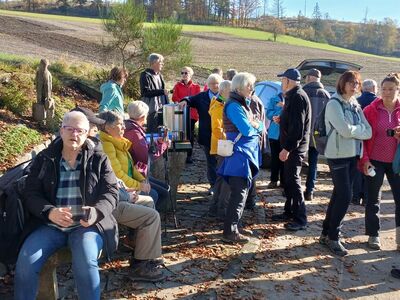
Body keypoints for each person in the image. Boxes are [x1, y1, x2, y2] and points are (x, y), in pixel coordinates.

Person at [14, 111, 119, 300]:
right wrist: (49, 212)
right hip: (49, 226)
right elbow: (31, 193)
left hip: (86, 227)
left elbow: (111, 192)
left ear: (88, 133)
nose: (74, 134)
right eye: (69, 129)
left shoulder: (99, 158)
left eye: (80, 130)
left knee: (86, 263)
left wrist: (96, 212)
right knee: (25, 262)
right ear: (61, 131)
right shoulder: (45, 158)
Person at [320, 71, 372, 256]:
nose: (354, 86)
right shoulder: (334, 104)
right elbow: (343, 130)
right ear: (342, 83)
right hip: (337, 155)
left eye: (356, 83)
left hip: (352, 155)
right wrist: (357, 130)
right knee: (345, 195)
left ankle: (326, 232)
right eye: (350, 83)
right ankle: (333, 237)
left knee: (338, 194)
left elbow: (369, 131)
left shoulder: (355, 104)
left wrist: (354, 130)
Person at [218, 72, 263, 243]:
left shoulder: (242, 104)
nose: (252, 88)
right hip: (239, 156)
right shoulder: (234, 106)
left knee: (240, 193)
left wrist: (255, 124)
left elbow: (256, 124)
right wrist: (256, 126)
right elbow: (247, 129)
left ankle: (233, 228)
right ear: (239, 87)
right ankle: (230, 231)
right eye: (249, 85)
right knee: (239, 193)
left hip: (244, 155)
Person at [360, 73, 400, 250]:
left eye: (391, 89)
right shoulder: (370, 110)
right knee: (373, 200)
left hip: (397, 163)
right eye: (384, 89)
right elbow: (361, 138)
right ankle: (373, 235)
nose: (387, 93)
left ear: (398, 90)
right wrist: (365, 159)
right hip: (374, 160)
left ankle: (399, 239)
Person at [271, 68, 311, 232]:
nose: (281, 83)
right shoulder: (293, 96)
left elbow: (298, 129)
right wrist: (282, 120)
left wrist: (287, 149)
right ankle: (289, 212)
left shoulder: (298, 97)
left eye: (283, 80)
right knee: (288, 181)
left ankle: (301, 218)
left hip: (294, 148)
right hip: (292, 146)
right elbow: (293, 121)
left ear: (289, 81)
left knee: (293, 182)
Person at [97, 111, 158, 204]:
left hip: (129, 184)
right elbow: (118, 175)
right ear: (108, 128)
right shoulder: (107, 146)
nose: (124, 127)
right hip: (121, 189)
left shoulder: (120, 142)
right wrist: (139, 186)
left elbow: (131, 167)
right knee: (154, 195)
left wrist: (142, 180)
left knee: (161, 192)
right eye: (120, 124)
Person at [179, 73, 223, 195]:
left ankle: (223, 185)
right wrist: (184, 100)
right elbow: (190, 99)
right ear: (208, 85)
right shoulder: (201, 97)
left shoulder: (225, 97)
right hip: (207, 135)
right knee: (211, 162)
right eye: (213, 83)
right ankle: (214, 185)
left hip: (222, 136)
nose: (215, 85)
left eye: (217, 83)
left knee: (222, 161)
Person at [123, 101, 171, 210]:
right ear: (143, 116)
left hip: (134, 171)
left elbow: (140, 150)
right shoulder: (135, 133)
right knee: (164, 193)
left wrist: (156, 144)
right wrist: (163, 145)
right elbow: (146, 158)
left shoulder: (127, 127)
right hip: (136, 173)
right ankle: (150, 216)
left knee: (165, 188)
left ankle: (150, 217)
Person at [302, 68, 330, 201]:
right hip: (318, 134)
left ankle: (292, 189)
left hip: (302, 134)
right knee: (313, 163)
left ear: (308, 78)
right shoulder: (326, 94)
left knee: (296, 162)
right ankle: (310, 191)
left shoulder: (303, 92)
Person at [208, 80, 232, 219]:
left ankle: (215, 207)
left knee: (221, 178)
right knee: (223, 179)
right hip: (222, 146)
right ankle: (219, 209)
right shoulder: (218, 106)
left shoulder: (221, 104)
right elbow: (217, 129)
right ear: (224, 92)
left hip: (222, 145)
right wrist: (229, 139)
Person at [352, 79, 378, 205]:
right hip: (373, 139)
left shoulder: (356, 101)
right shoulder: (378, 102)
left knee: (358, 167)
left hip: (358, 137)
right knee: (370, 166)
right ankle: (367, 197)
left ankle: (355, 196)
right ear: (374, 88)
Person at [172, 66, 201, 163]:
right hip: (180, 114)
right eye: (182, 73)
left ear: (191, 75)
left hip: (192, 115)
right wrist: (178, 103)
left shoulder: (196, 87)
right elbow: (175, 97)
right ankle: (181, 152)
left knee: (190, 135)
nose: (184, 75)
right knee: (180, 134)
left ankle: (189, 155)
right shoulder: (177, 86)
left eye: (186, 73)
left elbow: (197, 99)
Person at [246, 93, 267, 209]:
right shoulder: (253, 99)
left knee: (251, 171)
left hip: (254, 142)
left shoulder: (252, 101)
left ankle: (250, 200)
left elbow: (255, 123)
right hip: (254, 142)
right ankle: (250, 199)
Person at [139, 53, 169, 133]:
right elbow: (145, 92)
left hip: (161, 108)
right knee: (151, 131)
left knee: (160, 131)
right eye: (161, 62)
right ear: (155, 62)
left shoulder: (160, 75)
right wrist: (162, 91)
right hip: (151, 109)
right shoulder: (145, 75)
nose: (162, 64)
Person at [266, 92, 285, 189]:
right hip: (274, 134)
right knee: (274, 158)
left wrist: (284, 107)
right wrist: (276, 114)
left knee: (284, 159)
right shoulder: (274, 98)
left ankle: (283, 181)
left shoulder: (294, 98)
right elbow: (268, 114)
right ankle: (273, 180)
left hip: (286, 134)